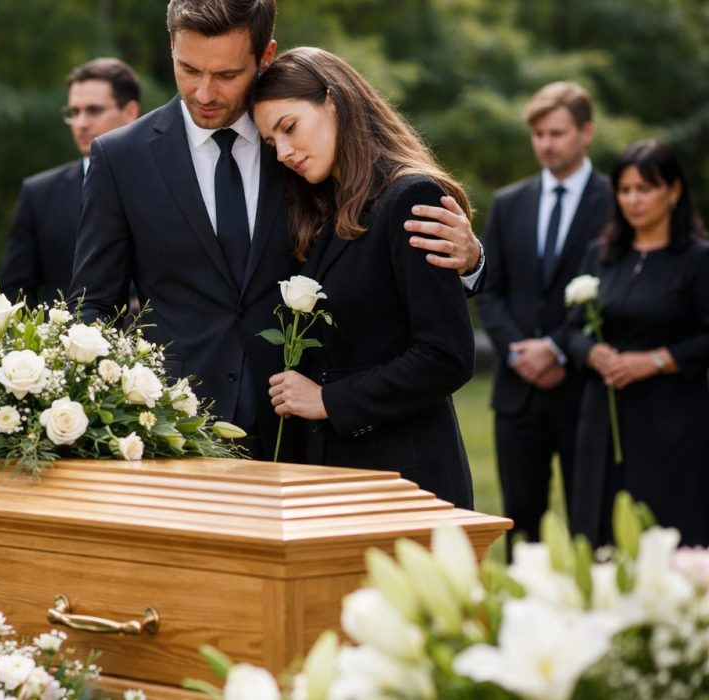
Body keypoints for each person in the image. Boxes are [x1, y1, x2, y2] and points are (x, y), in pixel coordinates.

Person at [71, 0, 483, 459]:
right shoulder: (119, 158)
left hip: (310, 436)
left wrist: (470, 263)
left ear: (265, 57)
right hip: (175, 433)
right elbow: (93, 307)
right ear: (171, 47)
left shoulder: (304, 141)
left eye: (227, 75)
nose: (204, 92)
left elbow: (374, 244)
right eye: (188, 69)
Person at [255, 47, 475, 508]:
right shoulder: (325, 209)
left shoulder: (411, 197)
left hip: (405, 478)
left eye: (289, 128)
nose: (284, 152)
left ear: (333, 101)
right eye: (272, 143)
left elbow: (446, 355)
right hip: (338, 477)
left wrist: (329, 400)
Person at [475, 82, 613, 542]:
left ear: (586, 131)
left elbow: (613, 291)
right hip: (517, 395)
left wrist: (556, 348)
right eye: (538, 134)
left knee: (591, 525)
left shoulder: (617, 203)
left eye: (556, 133)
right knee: (521, 526)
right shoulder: (510, 202)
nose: (545, 144)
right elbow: (490, 288)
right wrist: (519, 352)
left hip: (583, 390)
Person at [558, 140, 709, 546]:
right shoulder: (601, 255)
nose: (633, 200)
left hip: (670, 419)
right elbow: (569, 330)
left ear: (674, 191)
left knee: (665, 527)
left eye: (645, 188)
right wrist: (591, 352)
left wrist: (658, 360)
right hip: (602, 420)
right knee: (601, 526)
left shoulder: (697, 260)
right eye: (625, 190)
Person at [0, 58, 141, 307]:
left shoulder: (165, 181)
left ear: (130, 112)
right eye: (74, 112)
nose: (81, 123)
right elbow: (16, 293)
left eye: (94, 110)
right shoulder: (38, 194)